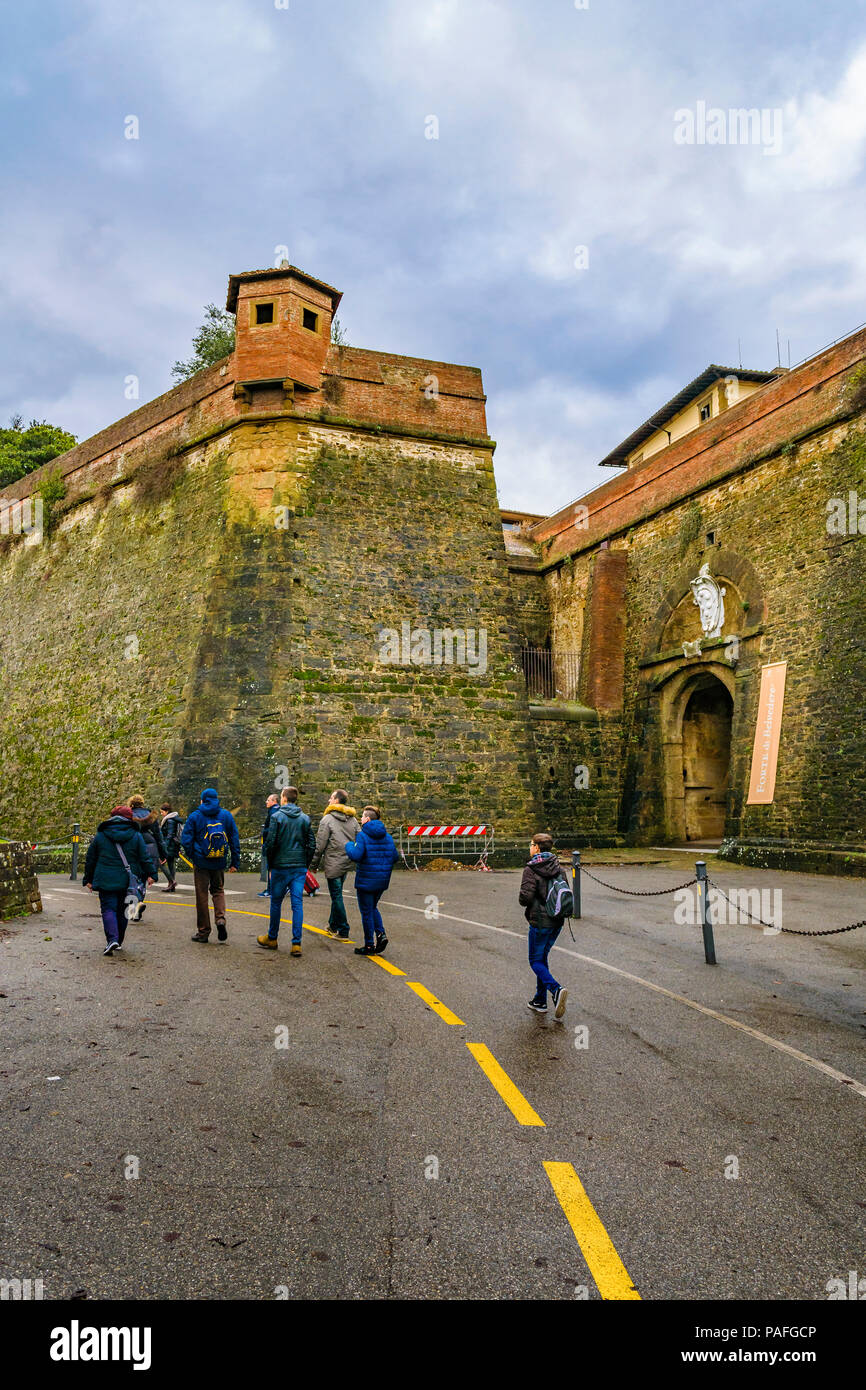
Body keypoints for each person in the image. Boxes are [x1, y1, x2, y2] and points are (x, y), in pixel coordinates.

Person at [82, 806, 155, 955]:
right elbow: (144, 857)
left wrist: (88, 878)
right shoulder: (136, 835)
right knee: (124, 910)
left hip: (105, 878)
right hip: (127, 880)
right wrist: (152, 874)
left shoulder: (101, 835)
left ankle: (112, 939)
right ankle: (118, 941)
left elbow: (91, 859)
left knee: (108, 909)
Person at [257, 787, 315, 955]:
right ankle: (296, 943)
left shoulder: (277, 817)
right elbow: (312, 844)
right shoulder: (305, 818)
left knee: (276, 902)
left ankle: (272, 937)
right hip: (299, 866)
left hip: (280, 866)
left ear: (283, 798)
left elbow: (270, 843)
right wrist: (305, 863)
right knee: (297, 904)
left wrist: (271, 865)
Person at [518, 833, 568, 1019]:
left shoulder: (531, 869)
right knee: (542, 958)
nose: (530, 847)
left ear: (537, 847)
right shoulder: (558, 867)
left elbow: (525, 898)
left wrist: (523, 897)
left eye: (531, 844)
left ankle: (556, 989)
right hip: (557, 921)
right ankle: (540, 1000)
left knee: (535, 961)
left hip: (540, 922)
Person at [180, 788, 240, 943]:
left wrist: (195, 855)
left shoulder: (195, 816)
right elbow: (234, 839)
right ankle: (220, 919)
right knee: (218, 890)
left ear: (202, 800)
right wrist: (235, 862)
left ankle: (203, 931)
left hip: (201, 862)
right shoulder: (226, 815)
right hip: (219, 860)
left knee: (202, 895)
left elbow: (186, 840)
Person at [345, 805, 398, 956]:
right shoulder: (387, 836)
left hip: (366, 881)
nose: (360, 819)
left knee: (366, 912)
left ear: (367, 819)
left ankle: (369, 945)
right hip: (382, 881)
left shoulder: (362, 836)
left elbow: (356, 855)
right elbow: (395, 857)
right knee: (372, 907)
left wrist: (349, 845)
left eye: (362, 816)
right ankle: (381, 934)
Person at [310, 790, 360, 940]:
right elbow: (360, 838)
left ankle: (343, 929)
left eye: (331, 798)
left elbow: (320, 845)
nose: (329, 800)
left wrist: (314, 864)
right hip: (347, 861)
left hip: (333, 862)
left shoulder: (327, 819)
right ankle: (333, 925)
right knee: (336, 895)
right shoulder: (353, 820)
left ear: (337, 800)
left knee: (336, 896)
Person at [128, 794, 168, 915]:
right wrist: (163, 854)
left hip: (132, 846)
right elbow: (159, 837)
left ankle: (135, 904)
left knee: (132, 877)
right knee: (144, 877)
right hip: (149, 846)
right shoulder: (151, 816)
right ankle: (139, 902)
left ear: (131, 804)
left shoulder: (128, 815)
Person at [159, 801, 184, 892]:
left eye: (162, 812)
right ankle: (171, 885)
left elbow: (169, 835)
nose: (161, 814)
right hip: (174, 845)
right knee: (170, 863)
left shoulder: (169, 820)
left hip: (170, 845)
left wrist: (164, 847)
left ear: (167, 811)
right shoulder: (174, 819)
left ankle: (172, 881)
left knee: (160, 863)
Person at [258, 793, 279, 897]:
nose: (266, 802)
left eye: (268, 800)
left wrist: (266, 843)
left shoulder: (273, 812)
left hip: (271, 845)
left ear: (274, 801)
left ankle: (270, 890)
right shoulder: (274, 811)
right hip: (274, 845)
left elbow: (271, 830)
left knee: (271, 868)